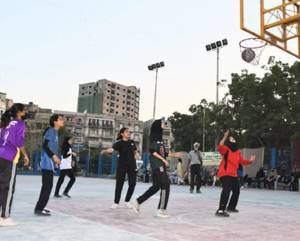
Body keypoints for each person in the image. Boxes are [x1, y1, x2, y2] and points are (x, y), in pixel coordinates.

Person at [132, 118, 181, 218]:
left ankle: (138, 201)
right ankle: (160, 210)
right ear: (157, 125)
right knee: (166, 185)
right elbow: (153, 152)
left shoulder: (160, 140)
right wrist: (163, 160)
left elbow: (164, 153)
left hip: (159, 166)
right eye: (162, 123)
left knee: (156, 187)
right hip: (158, 165)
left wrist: (176, 154)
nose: (164, 124)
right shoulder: (154, 139)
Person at [0, 103, 29, 227]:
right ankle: (4, 217)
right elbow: (18, 141)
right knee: (8, 187)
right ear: (20, 112)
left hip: (0, 153)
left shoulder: (6, 123)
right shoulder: (20, 124)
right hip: (9, 156)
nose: (27, 112)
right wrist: (25, 155)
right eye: (25, 110)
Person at [215, 130, 256, 217]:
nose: (232, 139)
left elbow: (243, 161)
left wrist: (250, 161)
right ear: (228, 141)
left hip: (233, 175)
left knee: (236, 190)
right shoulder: (226, 149)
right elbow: (220, 146)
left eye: (233, 138)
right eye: (231, 138)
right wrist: (225, 136)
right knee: (226, 190)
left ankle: (231, 207)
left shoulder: (237, 152)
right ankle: (220, 210)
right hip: (225, 173)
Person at [34, 114, 64, 216]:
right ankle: (39, 209)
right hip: (47, 162)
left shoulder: (55, 132)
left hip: (50, 162)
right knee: (47, 186)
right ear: (55, 122)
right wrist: (53, 157)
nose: (62, 120)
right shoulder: (51, 131)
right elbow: (45, 146)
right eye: (60, 119)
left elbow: (52, 147)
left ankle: (39, 207)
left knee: (46, 186)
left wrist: (57, 158)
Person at [102, 127, 139, 209]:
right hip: (122, 166)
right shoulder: (119, 143)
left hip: (132, 166)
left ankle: (127, 201)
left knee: (132, 184)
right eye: (126, 132)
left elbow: (135, 152)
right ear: (122, 134)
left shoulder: (132, 142)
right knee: (119, 184)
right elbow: (112, 150)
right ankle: (116, 202)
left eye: (129, 132)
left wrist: (137, 155)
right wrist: (104, 151)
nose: (129, 133)